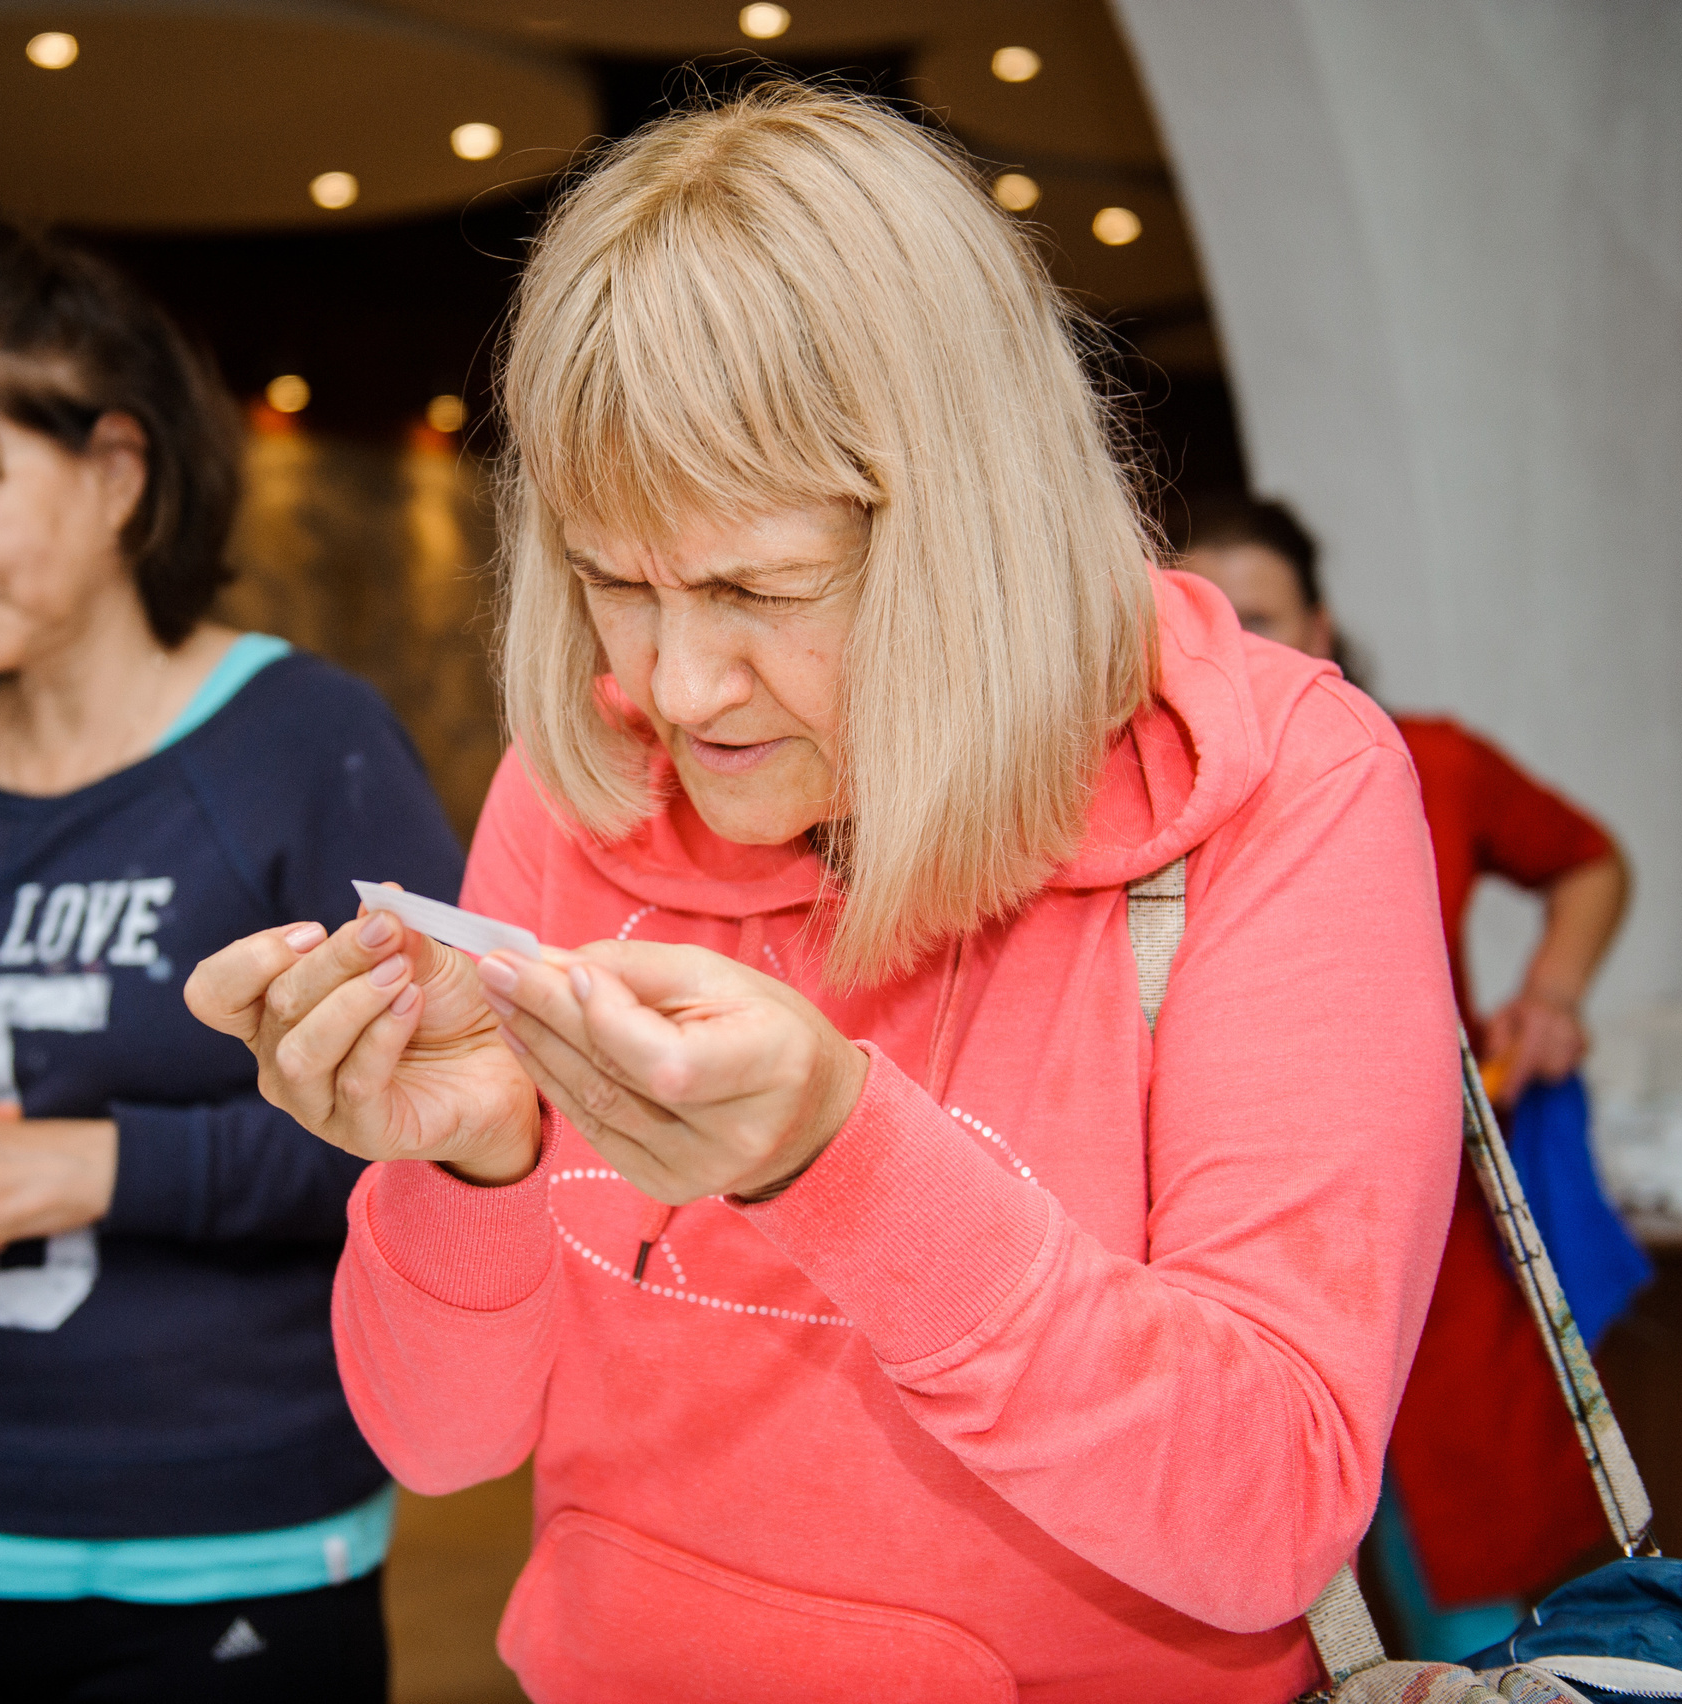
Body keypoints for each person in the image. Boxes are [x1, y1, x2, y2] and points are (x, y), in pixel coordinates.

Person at [188, 87, 1461, 1702]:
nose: (671, 681)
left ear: (971, 522)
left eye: (755, 587)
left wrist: (837, 1152)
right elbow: (438, 1440)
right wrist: (476, 1155)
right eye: (611, 582)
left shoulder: (1276, 778)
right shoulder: (587, 766)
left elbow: (1266, 1506)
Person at [0, 196, 464, 1702]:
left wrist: (82, 1164)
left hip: (220, 1538)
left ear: (115, 465)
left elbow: (442, 1134)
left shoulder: (307, 743)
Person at [1178, 496, 1632, 1654]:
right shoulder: (1140, 799)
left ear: (1323, 627)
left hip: (1424, 1235)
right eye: (1197, 619)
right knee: (1248, 1589)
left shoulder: (1421, 760)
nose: (1233, 651)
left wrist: (1553, 997)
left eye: (1264, 618)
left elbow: (1587, 861)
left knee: (1459, 1592)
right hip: (1204, 1238)